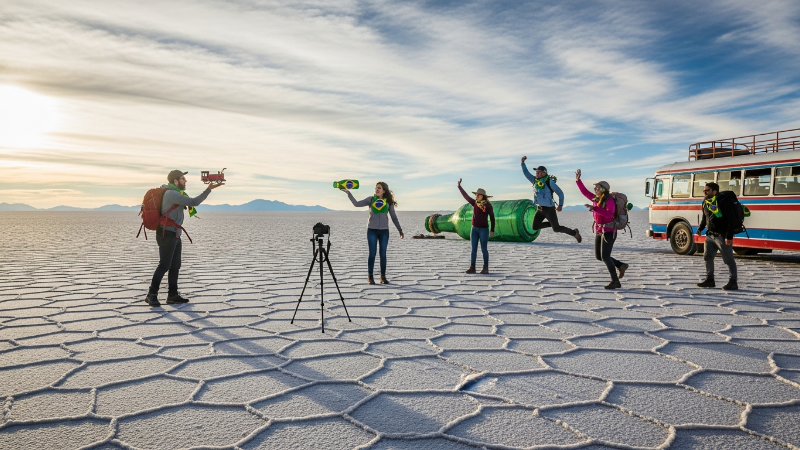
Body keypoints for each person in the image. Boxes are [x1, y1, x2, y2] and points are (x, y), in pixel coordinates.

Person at [145, 170, 223, 307]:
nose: (185, 181)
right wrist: (209, 189)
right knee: (164, 265)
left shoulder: (175, 193)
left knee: (175, 265)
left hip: (174, 233)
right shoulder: (171, 194)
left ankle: (172, 295)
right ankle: (151, 294)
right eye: (183, 179)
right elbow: (194, 202)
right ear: (175, 181)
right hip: (167, 234)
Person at [341, 182, 404, 284]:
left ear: (384, 190)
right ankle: (370, 277)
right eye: (376, 188)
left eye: (379, 188)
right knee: (372, 254)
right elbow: (356, 204)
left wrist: (400, 230)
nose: (377, 190)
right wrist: (348, 193)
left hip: (384, 231)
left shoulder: (388, 202)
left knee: (383, 254)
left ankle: (383, 277)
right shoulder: (370, 200)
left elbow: (394, 217)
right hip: (372, 230)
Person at [576, 169, 628, 289]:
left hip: (609, 231)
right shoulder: (596, 199)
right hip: (600, 231)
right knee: (599, 256)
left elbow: (610, 214)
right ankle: (620, 265)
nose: (595, 190)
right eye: (595, 188)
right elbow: (584, 192)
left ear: (603, 189)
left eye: (598, 188)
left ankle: (615, 281)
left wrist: (594, 209)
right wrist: (578, 181)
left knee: (605, 256)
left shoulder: (609, 200)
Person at [521, 156, 581, 243]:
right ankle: (552, 224)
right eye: (536, 172)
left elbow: (560, 193)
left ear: (543, 173)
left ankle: (574, 232)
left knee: (556, 229)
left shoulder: (549, 182)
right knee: (535, 226)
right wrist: (522, 163)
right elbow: (526, 173)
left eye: (538, 172)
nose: (536, 173)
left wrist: (560, 205)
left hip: (549, 209)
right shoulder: (534, 180)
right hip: (540, 209)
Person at [696, 182, 738, 290]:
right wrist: (701, 228)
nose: (705, 192)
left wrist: (729, 236)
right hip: (710, 235)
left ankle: (733, 282)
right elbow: (705, 217)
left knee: (728, 259)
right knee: (707, 257)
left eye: (707, 190)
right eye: (704, 190)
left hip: (722, 236)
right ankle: (710, 280)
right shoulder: (706, 202)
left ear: (714, 191)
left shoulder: (723, 201)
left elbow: (731, 220)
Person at [457, 179, 496, 274]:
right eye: (476, 195)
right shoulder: (475, 203)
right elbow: (465, 196)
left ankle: (485, 268)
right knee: (473, 249)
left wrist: (492, 230)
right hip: (474, 229)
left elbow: (492, 218)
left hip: (484, 230)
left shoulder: (488, 206)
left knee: (483, 249)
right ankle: (472, 267)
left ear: (483, 196)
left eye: (478, 195)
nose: (476, 196)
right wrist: (459, 187)